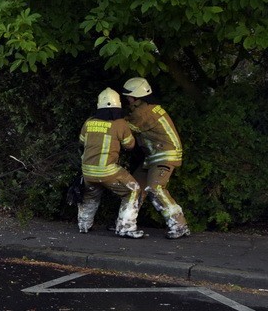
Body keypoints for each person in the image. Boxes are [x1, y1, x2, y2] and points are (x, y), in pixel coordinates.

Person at [121, 77, 191, 239]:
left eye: (128, 96)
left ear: (136, 96)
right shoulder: (149, 108)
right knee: (134, 188)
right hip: (153, 156)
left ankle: (179, 225)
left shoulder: (142, 112)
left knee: (155, 188)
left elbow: (123, 129)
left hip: (163, 156)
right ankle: (125, 224)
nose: (126, 99)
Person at [77, 88, 143, 237]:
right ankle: (126, 227)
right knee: (133, 190)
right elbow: (130, 145)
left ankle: (84, 225)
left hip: (87, 171)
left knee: (90, 195)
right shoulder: (120, 124)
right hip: (108, 171)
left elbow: (81, 142)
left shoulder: (89, 122)